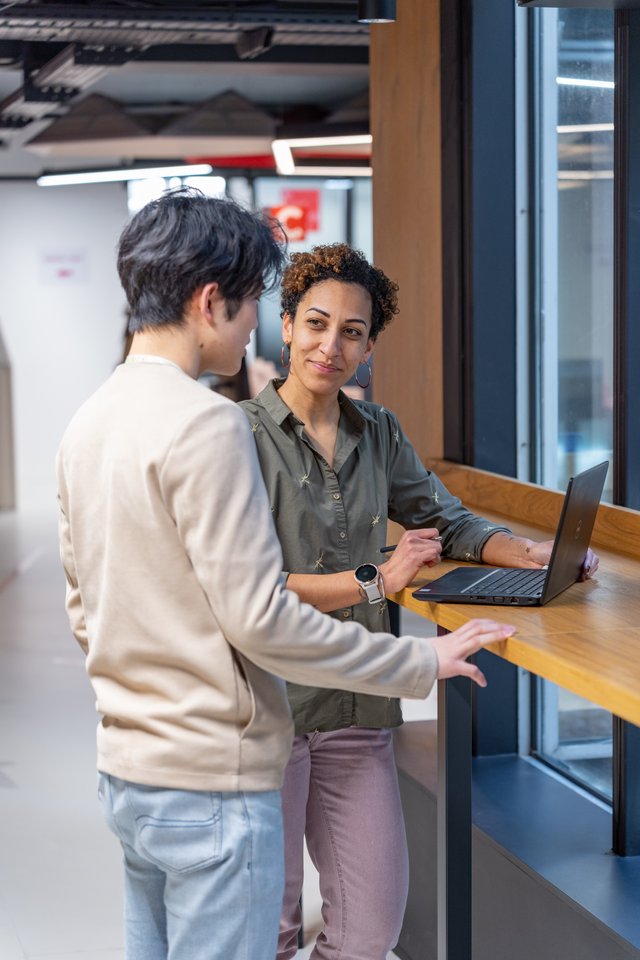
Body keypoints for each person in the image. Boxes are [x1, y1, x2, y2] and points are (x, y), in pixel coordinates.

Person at [56, 190, 514, 960]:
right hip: (212, 774)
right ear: (210, 301)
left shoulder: (90, 418)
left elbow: (84, 605)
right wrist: (417, 659)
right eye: (253, 308)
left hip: (132, 770)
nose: (254, 328)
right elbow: (261, 618)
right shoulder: (207, 423)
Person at [239, 242, 599, 960]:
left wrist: (522, 551)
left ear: (370, 344)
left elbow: (449, 521)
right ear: (285, 324)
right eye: (315, 323)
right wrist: (376, 578)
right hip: (270, 713)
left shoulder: (379, 433)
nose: (330, 345)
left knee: (370, 929)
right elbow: (250, 586)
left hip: (358, 703)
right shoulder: (236, 439)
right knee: (263, 935)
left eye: (352, 332)